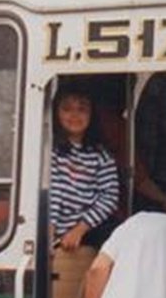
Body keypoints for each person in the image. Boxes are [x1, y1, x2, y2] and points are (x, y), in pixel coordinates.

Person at [50, 85, 120, 250]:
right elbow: (53, 193)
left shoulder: (101, 155)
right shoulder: (49, 150)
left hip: (86, 229)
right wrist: (49, 231)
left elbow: (110, 197)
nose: (74, 115)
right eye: (67, 109)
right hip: (49, 228)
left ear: (92, 115)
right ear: (55, 113)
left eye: (82, 109)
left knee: (117, 232)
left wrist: (79, 230)